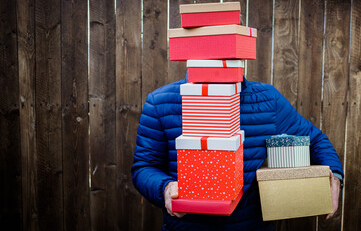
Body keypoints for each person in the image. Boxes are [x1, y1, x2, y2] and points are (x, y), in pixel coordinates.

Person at [131, 75, 344, 231]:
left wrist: (334, 175)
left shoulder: (268, 100)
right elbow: (144, 167)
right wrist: (166, 188)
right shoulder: (160, 103)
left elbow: (314, 138)